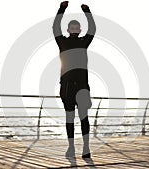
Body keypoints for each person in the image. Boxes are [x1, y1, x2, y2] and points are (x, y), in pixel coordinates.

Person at [52, 1, 96, 158]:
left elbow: (93, 29)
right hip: (67, 87)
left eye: (77, 28)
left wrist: (87, 11)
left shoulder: (84, 42)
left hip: (82, 87)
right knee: (69, 118)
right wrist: (62, 8)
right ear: (68, 29)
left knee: (84, 117)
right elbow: (55, 26)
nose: (75, 30)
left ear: (80, 30)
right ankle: (71, 148)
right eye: (72, 28)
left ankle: (86, 148)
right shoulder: (62, 41)